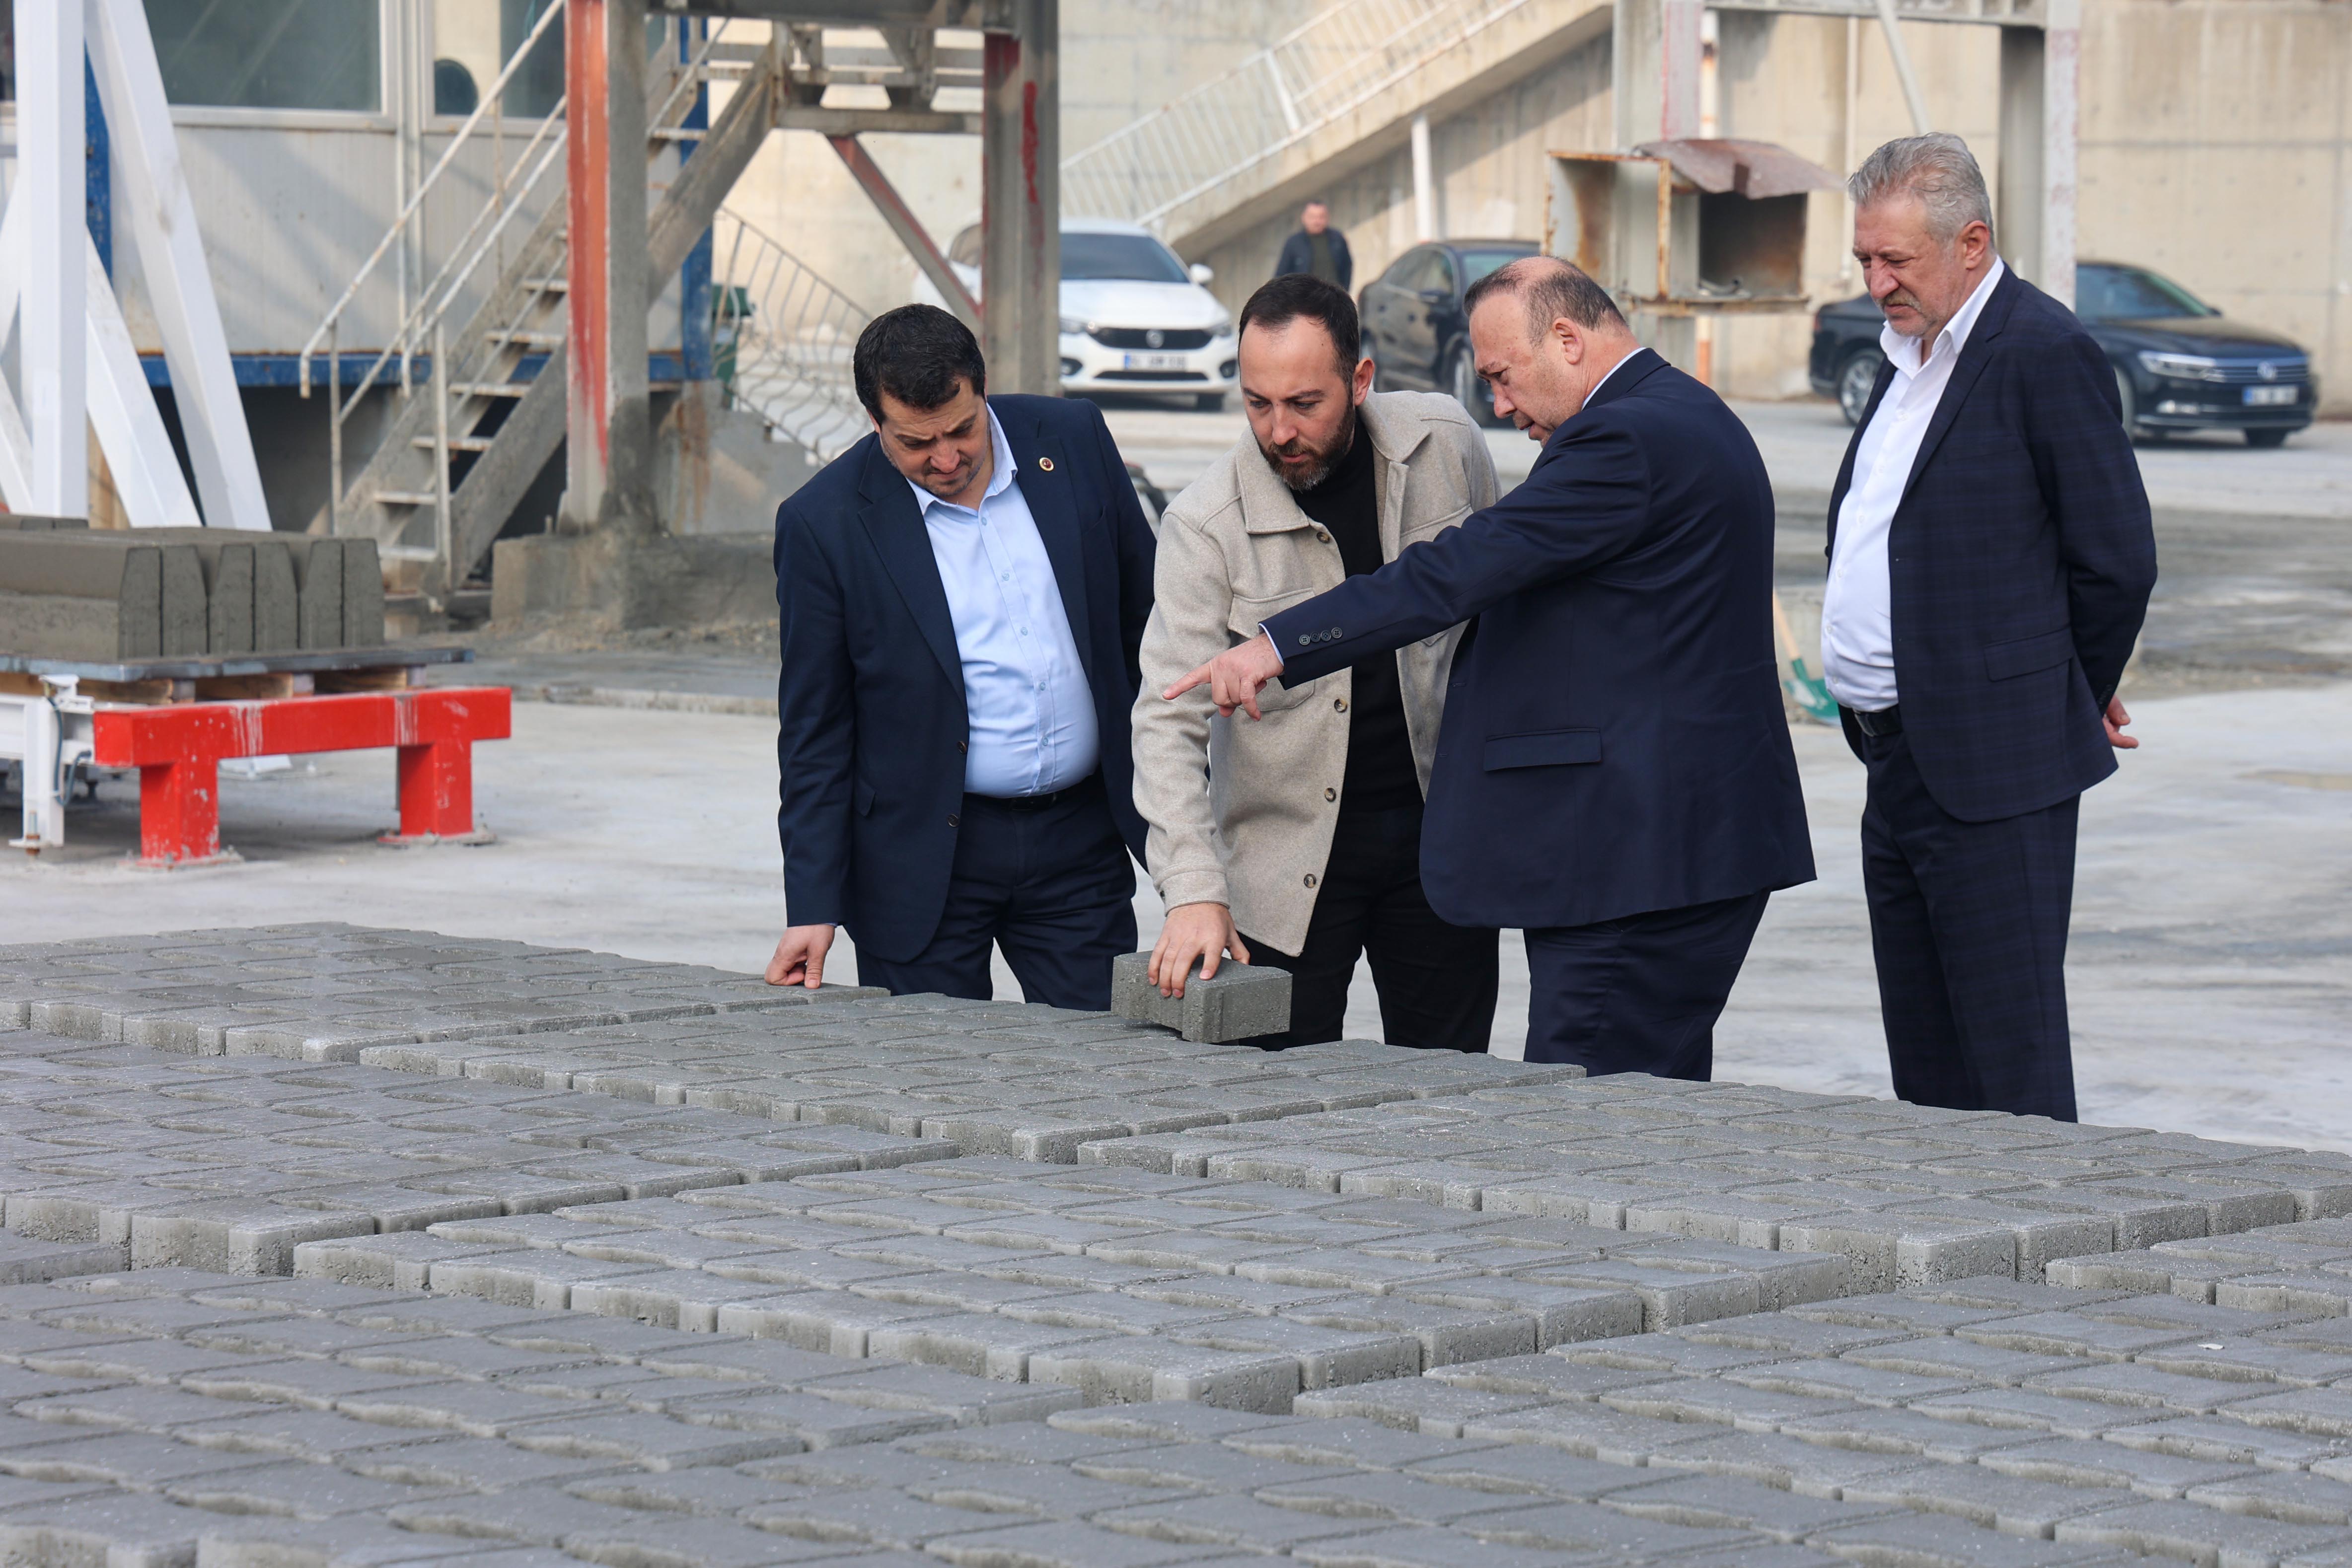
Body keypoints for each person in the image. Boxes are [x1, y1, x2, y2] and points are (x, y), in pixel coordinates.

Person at [1164, 257, 1815, 1078]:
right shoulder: (1685, 411)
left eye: (1503, 377)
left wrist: (1279, 644)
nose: (1500, 407)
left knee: (1589, 1115)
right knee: (1649, 1105)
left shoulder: (1621, 441)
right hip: (1680, 848)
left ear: (1568, 340)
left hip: (1639, 864)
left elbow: (1462, 566)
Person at [1825, 134, 2156, 1121]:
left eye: (1895, 260)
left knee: (2011, 1066)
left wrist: (2059, 691)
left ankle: (2038, 1221)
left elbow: (2115, 560)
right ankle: (1947, 1219)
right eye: (1864, 259)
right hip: (1893, 757)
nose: (1875, 282)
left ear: (1971, 243)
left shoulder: (2040, 353)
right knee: (1925, 1059)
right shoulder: (1906, 357)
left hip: (1994, 768)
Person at [1134, 274, 1501, 1051]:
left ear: (1361, 380)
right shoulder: (1203, 523)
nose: (1279, 430)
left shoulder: (1446, 442)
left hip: (1441, 843)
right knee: (1270, 1093)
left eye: (1305, 403)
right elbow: (1166, 721)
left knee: (1452, 1087)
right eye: (1257, 402)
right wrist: (1192, 890)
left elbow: (1498, 602)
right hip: (1281, 866)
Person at [765, 305, 1157, 1009]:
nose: (946, 458)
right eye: (916, 443)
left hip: (1079, 841)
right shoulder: (823, 523)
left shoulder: (1072, 439)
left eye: (962, 430)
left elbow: (1146, 619)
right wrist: (812, 904)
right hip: (920, 855)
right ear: (874, 421)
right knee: (933, 1069)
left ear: (981, 389)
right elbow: (815, 732)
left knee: (1104, 1055)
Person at [1275, 201, 1352, 292]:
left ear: (1327, 218)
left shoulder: (1337, 239)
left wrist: (1344, 291)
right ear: (1304, 218)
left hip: (1333, 296)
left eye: (1321, 217)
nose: (1317, 221)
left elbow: (1347, 266)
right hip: (1303, 296)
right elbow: (1281, 274)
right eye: (1312, 217)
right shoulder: (1294, 242)